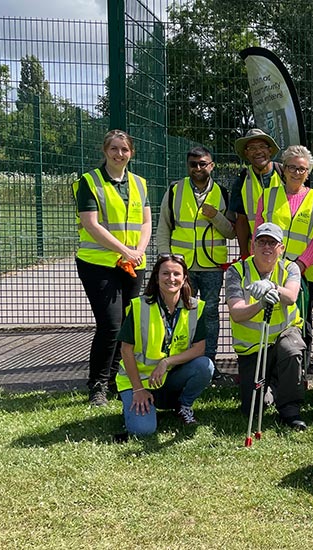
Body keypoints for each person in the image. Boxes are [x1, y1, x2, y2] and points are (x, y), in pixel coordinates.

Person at [73, 129, 152, 407]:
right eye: (114, 149)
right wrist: (125, 250)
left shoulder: (140, 183)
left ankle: (119, 380)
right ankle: (97, 385)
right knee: (110, 324)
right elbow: (91, 224)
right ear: (105, 151)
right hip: (98, 264)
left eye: (125, 149)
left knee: (128, 325)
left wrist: (139, 251)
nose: (120, 154)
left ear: (132, 153)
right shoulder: (89, 182)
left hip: (132, 263)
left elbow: (146, 222)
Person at [116, 254, 214, 435]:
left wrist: (166, 362)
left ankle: (183, 406)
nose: (171, 279)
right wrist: (138, 389)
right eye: (165, 273)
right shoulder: (140, 306)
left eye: (176, 274)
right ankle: (132, 401)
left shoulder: (194, 307)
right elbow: (126, 350)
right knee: (143, 430)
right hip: (139, 381)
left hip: (168, 378)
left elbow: (199, 349)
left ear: (184, 277)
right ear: (156, 277)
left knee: (205, 366)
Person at [156, 146, 235, 366]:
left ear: (212, 165)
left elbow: (231, 232)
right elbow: (163, 227)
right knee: (179, 311)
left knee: (209, 313)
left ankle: (208, 362)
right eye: (193, 164)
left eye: (203, 163)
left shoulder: (223, 192)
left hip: (212, 266)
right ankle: (176, 361)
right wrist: (166, 259)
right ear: (187, 166)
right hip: (181, 266)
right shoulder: (174, 190)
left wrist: (216, 216)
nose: (198, 168)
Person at [224, 223, 308, 431]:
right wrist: (260, 303)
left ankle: (290, 410)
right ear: (253, 245)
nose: (267, 247)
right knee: (252, 408)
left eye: (272, 242)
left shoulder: (290, 268)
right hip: (253, 347)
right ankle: (271, 387)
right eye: (262, 242)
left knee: (291, 349)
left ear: (281, 248)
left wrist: (272, 286)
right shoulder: (237, 271)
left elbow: (291, 297)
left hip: (284, 334)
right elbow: (236, 312)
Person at [256, 145, 313, 361]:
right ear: (283, 170)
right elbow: (257, 234)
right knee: (268, 316)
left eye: (302, 169)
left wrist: (300, 265)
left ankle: (300, 371)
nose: (297, 173)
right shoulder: (268, 196)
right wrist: (261, 265)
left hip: (304, 273)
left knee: (301, 321)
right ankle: (269, 368)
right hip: (269, 270)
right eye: (292, 168)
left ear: (309, 172)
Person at [231, 128, 282, 257]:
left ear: (270, 150)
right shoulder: (241, 180)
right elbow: (241, 220)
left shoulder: (285, 174)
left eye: (262, 146)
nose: (258, 151)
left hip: (284, 249)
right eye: (252, 148)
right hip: (256, 251)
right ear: (246, 153)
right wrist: (244, 253)